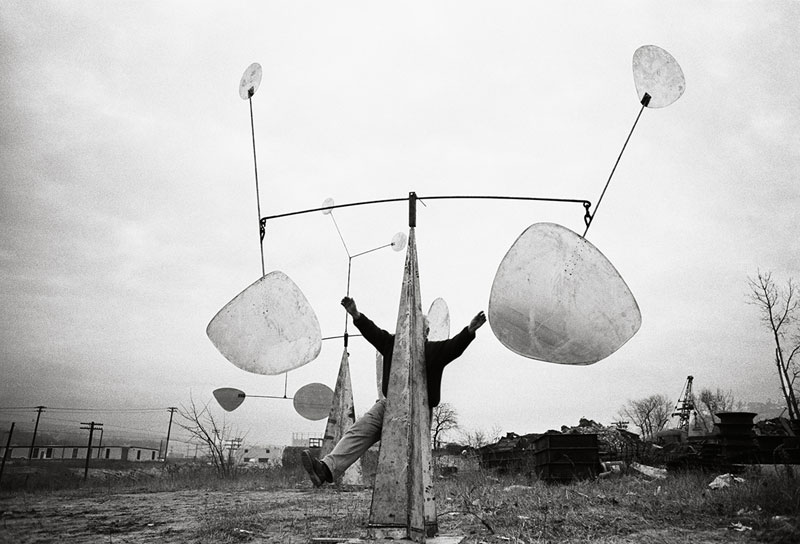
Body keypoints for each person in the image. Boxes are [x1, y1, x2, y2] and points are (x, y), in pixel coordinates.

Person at [301, 296, 486, 486]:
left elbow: (453, 347)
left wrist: (469, 331)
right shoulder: (392, 344)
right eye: (407, 326)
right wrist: (356, 315)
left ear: (426, 332)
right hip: (389, 405)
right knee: (358, 431)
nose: (410, 331)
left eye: (415, 327)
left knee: (409, 456)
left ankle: (413, 493)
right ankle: (325, 469)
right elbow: (373, 332)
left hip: (419, 410)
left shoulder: (432, 351)